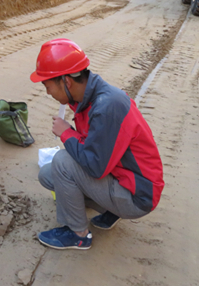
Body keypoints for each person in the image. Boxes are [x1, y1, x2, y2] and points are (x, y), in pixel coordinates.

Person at [30, 39, 164, 250]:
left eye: (47, 86)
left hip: (137, 195)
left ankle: (78, 234)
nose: (48, 93)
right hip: (121, 177)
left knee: (62, 162)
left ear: (66, 81)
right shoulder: (88, 99)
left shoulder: (106, 106)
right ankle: (111, 209)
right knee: (48, 174)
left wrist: (66, 133)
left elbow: (95, 166)